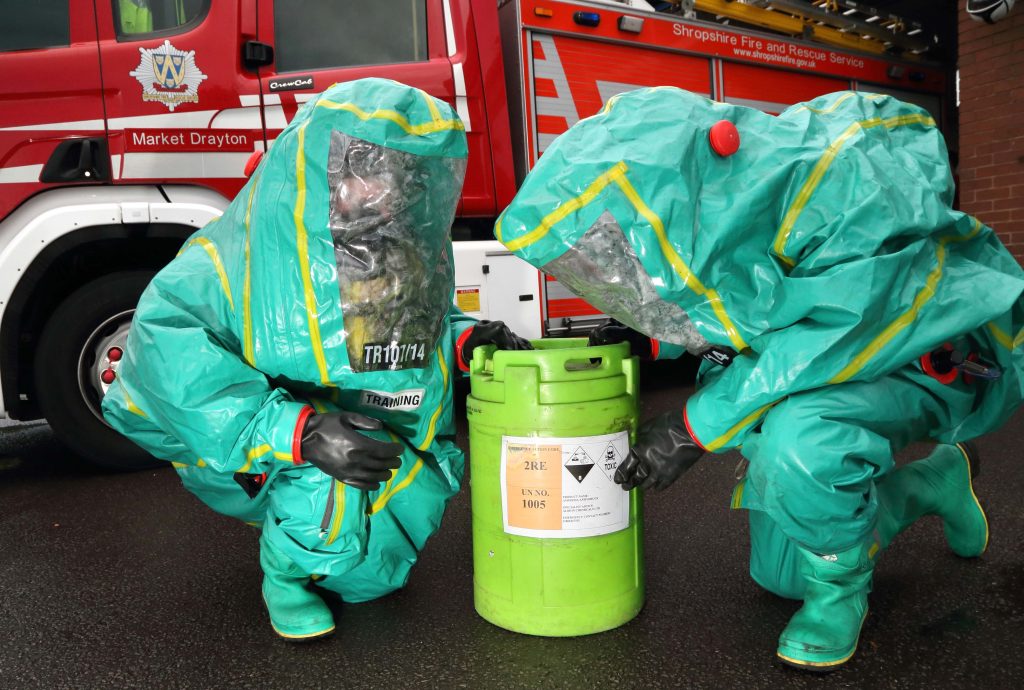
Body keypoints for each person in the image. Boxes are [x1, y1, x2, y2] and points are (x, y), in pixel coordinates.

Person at [494, 87, 1024, 670]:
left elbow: (826, 339)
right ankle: (935, 484)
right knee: (784, 575)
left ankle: (838, 594)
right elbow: (739, 306)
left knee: (800, 442)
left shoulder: (843, 191)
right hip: (834, 360)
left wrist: (690, 429)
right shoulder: (732, 212)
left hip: (926, 362)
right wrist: (646, 336)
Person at [102, 78, 528, 640]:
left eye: (401, 177)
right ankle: (285, 577)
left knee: (377, 571)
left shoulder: (392, 256)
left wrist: (465, 340)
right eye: (366, 172)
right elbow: (167, 355)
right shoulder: (232, 259)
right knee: (327, 482)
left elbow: (413, 329)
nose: (383, 194)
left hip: (374, 432)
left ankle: (332, 547)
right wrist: (297, 432)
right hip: (265, 452)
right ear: (321, 165)